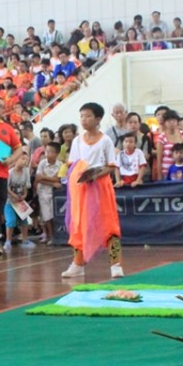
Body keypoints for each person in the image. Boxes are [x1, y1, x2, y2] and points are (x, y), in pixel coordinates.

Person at [60, 102, 123, 279]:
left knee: (108, 224)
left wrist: (95, 175)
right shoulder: (78, 140)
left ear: (98, 119)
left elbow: (111, 166)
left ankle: (116, 264)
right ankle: (78, 264)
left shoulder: (106, 140)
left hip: (100, 186)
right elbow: (72, 164)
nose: (84, 120)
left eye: (88, 116)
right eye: (81, 116)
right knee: (79, 225)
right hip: (81, 189)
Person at [0, 96, 23, 255]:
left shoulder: (7, 128)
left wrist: (11, 160)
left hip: (0, 174)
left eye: (1, 106)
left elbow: (19, 148)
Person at [3, 153, 34, 250]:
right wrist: (14, 195)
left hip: (20, 200)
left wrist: (24, 195)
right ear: (16, 159)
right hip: (9, 200)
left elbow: (26, 185)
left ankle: (25, 240)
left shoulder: (26, 172)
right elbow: (6, 187)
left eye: (26, 160)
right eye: (22, 159)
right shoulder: (10, 172)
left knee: (24, 220)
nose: (25, 161)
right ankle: (8, 241)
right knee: (11, 220)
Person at [35, 142, 62, 245]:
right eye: (47, 151)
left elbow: (58, 179)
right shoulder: (42, 163)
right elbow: (38, 178)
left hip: (55, 194)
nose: (48, 154)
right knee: (46, 216)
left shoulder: (60, 164)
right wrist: (52, 181)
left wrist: (45, 177)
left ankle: (56, 236)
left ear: (57, 153)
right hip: (43, 193)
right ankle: (50, 236)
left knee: (54, 215)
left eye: (51, 152)